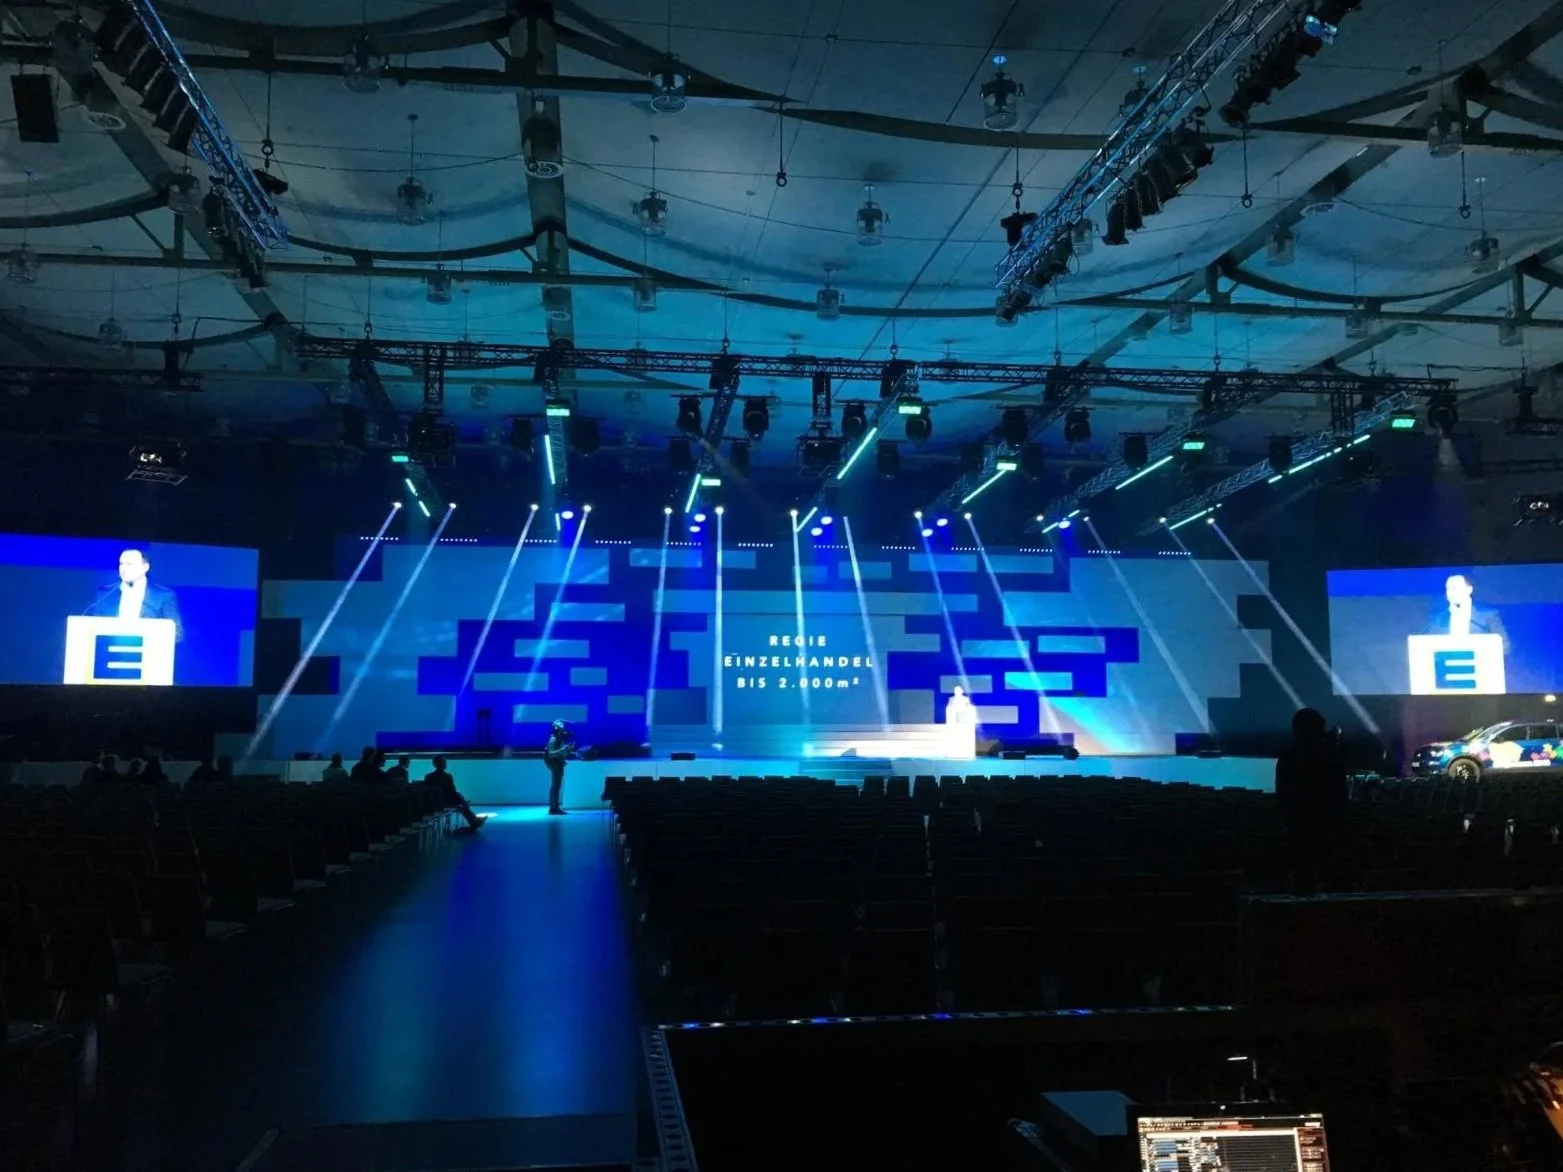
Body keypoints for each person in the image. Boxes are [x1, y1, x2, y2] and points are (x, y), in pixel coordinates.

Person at [1274, 707, 1349, 896]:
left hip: (1301, 828)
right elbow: (1340, 792)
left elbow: (1283, 794)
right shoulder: (1331, 755)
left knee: (1305, 878)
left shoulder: (1290, 756)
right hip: (1329, 827)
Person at [83, 548, 184, 642]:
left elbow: (177, 634)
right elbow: (92, 627)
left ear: (145, 567)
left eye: (129, 564)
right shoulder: (106, 593)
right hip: (110, 653)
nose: (123, 568)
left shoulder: (163, 596)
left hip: (148, 655)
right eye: (121, 564)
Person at [1422, 572, 1508, 650]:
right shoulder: (1439, 618)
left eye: (1454, 588)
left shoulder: (1488, 614)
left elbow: (1504, 645)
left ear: (1469, 590)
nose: (1450, 592)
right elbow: (1428, 645)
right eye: (1448, 589)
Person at [424, 755, 485, 832]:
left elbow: (427, 791)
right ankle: (474, 820)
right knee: (460, 800)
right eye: (444, 762)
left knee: (461, 801)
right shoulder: (448, 776)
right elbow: (452, 791)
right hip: (446, 801)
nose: (445, 763)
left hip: (436, 803)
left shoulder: (429, 777)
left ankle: (473, 820)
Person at [543, 720, 574, 815]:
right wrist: (564, 749)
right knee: (555, 786)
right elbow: (551, 754)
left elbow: (559, 753)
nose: (563, 731)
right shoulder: (553, 740)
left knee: (556, 786)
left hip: (558, 764)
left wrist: (567, 751)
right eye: (561, 729)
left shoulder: (558, 740)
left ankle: (554, 807)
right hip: (555, 764)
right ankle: (554, 808)